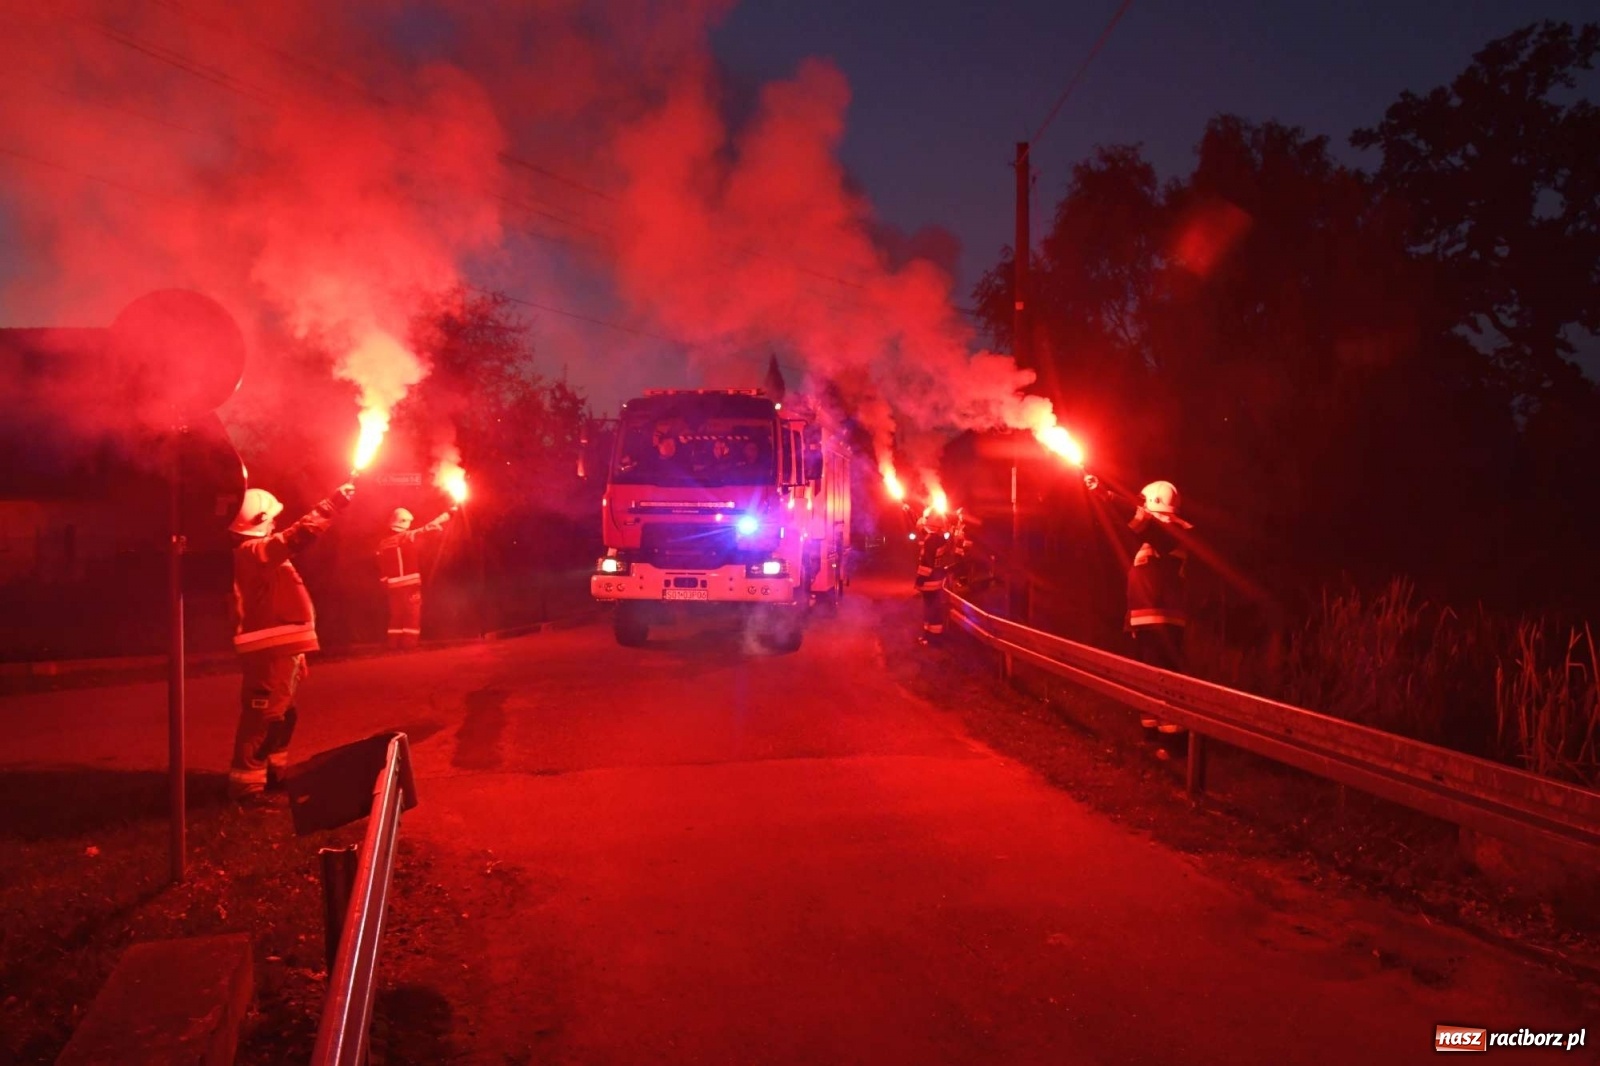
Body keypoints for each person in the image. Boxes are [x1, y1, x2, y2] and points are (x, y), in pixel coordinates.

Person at [227, 481, 355, 806]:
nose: (275, 524)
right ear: (259, 521)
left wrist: (298, 653)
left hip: (282, 653)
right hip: (267, 656)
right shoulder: (254, 552)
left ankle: (273, 776)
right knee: (262, 719)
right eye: (271, 519)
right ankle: (247, 790)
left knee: (284, 717)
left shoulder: (260, 555)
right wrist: (333, 505)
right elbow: (299, 536)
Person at [1086, 475, 1193, 757]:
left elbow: (1139, 521)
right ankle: (1152, 737)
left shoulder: (1169, 536)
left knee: (1164, 683)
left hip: (1162, 621)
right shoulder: (1156, 538)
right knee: (1148, 681)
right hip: (1147, 620)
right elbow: (1135, 526)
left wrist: (1106, 495)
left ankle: (1172, 745)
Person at [376, 506, 454, 650]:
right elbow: (427, 528)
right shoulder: (407, 536)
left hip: (393, 587)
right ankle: (409, 646)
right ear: (404, 522)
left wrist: (385, 583)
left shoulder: (383, 544)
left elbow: (382, 568)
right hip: (410, 585)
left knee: (396, 616)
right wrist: (449, 514)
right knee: (412, 615)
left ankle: (393, 646)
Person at [913, 506, 957, 645]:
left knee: (931, 609)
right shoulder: (941, 538)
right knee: (933, 608)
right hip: (937, 579)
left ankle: (931, 638)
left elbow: (927, 562)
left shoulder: (930, 540)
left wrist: (920, 579)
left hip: (929, 581)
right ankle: (930, 636)